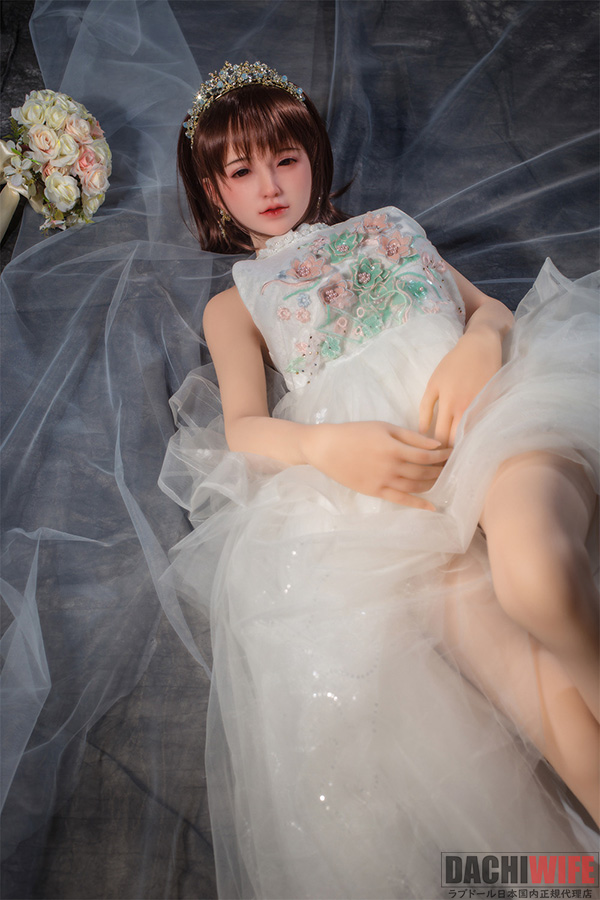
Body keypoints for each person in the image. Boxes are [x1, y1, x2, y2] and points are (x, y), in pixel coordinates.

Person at [161, 61, 599, 899]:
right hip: (387, 488)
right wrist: (326, 449)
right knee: (535, 694)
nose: (270, 186)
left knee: (536, 574)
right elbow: (245, 426)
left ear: (313, 156)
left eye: (285, 159)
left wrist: (482, 341)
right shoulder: (236, 302)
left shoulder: (390, 225)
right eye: (242, 171)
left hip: (496, 414)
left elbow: (489, 308)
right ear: (214, 191)